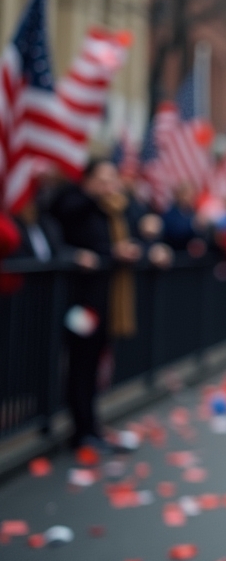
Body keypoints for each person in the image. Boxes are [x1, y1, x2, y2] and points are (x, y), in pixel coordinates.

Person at [49, 160, 170, 451]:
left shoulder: (116, 209)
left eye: (112, 178)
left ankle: (91, 425)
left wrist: (150, 246)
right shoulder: (76, 203)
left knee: (95, 365)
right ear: (88, 180)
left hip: (106, 303)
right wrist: (111, 252)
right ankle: (81, 430)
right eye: (102, 179)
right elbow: (76, 235)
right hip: (81, 304)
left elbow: (138, 232)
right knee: (80, 363)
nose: (109, 185)